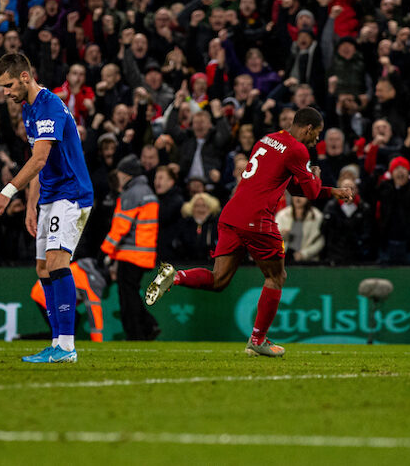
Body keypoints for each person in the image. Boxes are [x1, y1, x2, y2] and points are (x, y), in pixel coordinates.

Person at [144, 107, 353, 357]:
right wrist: (316, 175)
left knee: (218, 279)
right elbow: (309, 192)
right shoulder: (298, 150)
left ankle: (176, 277)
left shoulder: (268, 139)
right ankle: (257, 340)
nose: (316, 140)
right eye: (317, 134)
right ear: (308, 128)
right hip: (258, 219)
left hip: (231, 214)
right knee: (277, 277)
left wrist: (332, 191)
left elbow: (292, 187)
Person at [0, 52, 94, 363]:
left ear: (24, 76)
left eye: (8, 85)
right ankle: (57, 342)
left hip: (71, 194)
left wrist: (6, 192)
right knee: (42, 268)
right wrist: (33, 205)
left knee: (58, 263)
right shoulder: (29, 109)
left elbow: (39, 159)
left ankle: (67, 346)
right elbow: (38, 165)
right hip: (50, 195)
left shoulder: (48, 106)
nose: (5, 92)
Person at [102, 155, 160, 340]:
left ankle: (138, 332)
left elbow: (121, 226)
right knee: (131, 292)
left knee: (128, 297)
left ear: (125, 174)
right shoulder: (146, 191)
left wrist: (104, 251)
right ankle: (148, 326)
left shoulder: (131, 193)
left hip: (130, 253)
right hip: (145, 253)